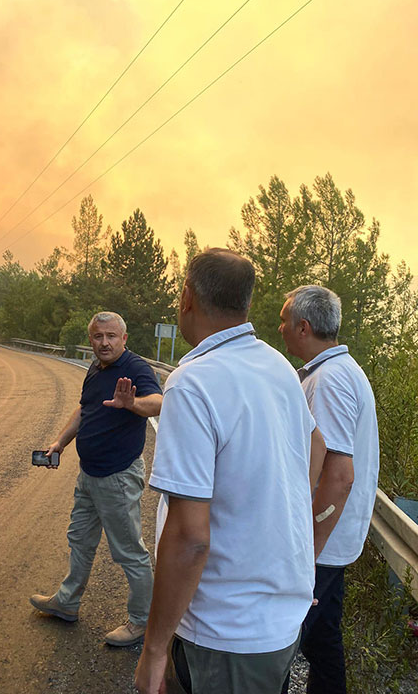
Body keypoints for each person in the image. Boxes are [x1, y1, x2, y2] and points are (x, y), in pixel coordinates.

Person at [135, 249, 322, 694]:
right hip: (279, 618)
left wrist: (154, 648)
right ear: (246, 303)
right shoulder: (278, 366)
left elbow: (189, 536)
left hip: (224, 632)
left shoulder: (193, 382)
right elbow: (315, 446)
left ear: (186, 298)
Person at [30, 311, 163, 646]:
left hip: (117, 476)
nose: (104, 342)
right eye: (97, 336)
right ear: (91, 338)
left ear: (124, 339)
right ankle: (67, 601)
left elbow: (158, 402)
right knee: (80, 540)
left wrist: (131, 403)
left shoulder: (134, 369)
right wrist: (60, 442)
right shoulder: (95, 368)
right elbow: (83, 409)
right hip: (89, 474)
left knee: (130, 551)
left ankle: (142, 621)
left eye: (111, 336)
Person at [278, 285, 379, 694]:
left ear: (303, 327)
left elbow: (339, 476)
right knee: (322, 643)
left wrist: (306, 555)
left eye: (284, 321)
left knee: (280, 647)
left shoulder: (331, 381)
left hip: (320, 545)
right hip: (332, 540)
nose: (279, 327)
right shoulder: (337, 372)